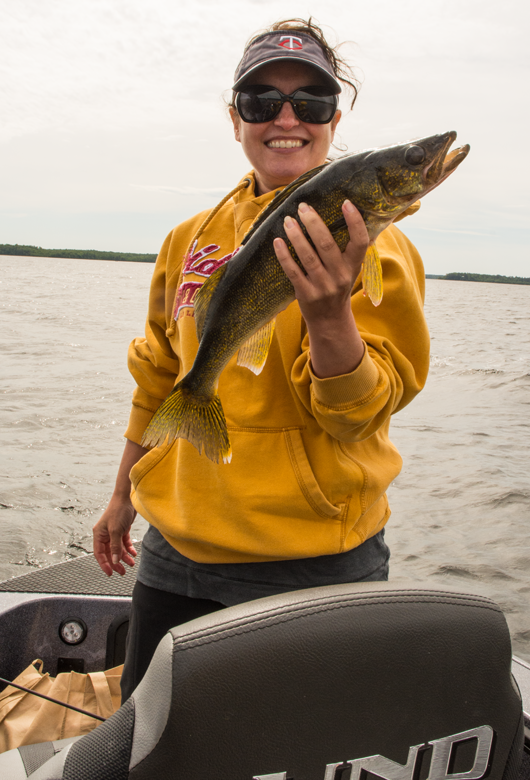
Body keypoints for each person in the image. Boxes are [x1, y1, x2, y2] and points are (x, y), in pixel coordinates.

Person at [93, 18, 430, 701]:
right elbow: (160, 371)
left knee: (300, 753)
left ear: (335, 117)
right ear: (235, 117)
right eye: (261, 101)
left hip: (313, 561)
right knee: (150, 745)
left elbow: (357, 416)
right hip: (176, 550)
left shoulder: (380, 249)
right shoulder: (187, 239)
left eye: (310, 102)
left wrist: (330, 313)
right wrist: (123, 494)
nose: (286, 118)